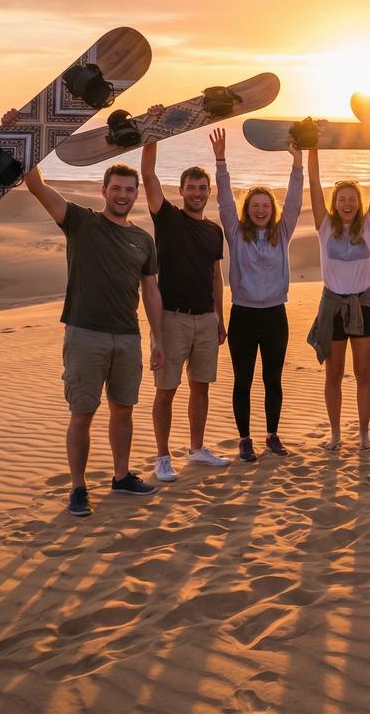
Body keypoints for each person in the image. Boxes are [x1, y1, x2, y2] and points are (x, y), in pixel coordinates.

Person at [12, 111, 163, 515]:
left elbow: (151, 292)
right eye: (117, 188)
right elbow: (36, 185)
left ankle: (121, 476)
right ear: (104, 190)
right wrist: (17, 132)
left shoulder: (142, 239)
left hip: (127, 338)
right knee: (82, 413)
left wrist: (158, 338)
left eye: (130, 190)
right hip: (85, 335)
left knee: (123, 410)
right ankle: (78, 487)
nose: (124, 194)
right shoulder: (79, 222)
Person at [140, 120, 230, 483]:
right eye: (191, 187)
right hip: (172, 319)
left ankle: (197, 448)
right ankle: (162, 457)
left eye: (202, 188)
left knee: (201, 386)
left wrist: (220, 317)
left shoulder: (213, 230)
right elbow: (147, 175)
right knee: (166, 390)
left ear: (208, 192)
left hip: (206, 320)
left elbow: (216, 276)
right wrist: (155, 133)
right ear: (181, 191)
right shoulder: (167, 219)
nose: (197, 192)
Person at [210, 126, 303, 461]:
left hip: (275, 315)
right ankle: (245, 439)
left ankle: (272, 435)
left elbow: (294, 203)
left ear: (271, 209)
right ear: (247, 208)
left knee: (273, 380)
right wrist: (221, 163)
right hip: (244, 316)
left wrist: (297, 166)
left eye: (266, 205)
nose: (261, 210)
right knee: (243, 381)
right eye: (255, 205)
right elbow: (223, 203)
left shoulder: (283, 232)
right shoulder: (236, 233)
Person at [306, 144, 370, 451]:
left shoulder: (369, 225)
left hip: (363, 305)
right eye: (342, 199)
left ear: (358, 202)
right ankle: (336, 434)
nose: (347, 203)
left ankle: (364, 434)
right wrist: (312, 149)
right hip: (332, 307)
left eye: (352, 199)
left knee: (363, 372)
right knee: (334, 374)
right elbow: (313, 184)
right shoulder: (324, 226)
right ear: (335, 203)